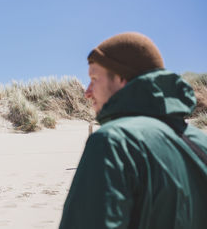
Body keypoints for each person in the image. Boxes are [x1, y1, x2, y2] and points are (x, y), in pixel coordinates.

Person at [59, 32, 207, 229]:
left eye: (94, 78)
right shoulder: (200, 143)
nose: (87, 92)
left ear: (122, 79)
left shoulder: (113, 141)